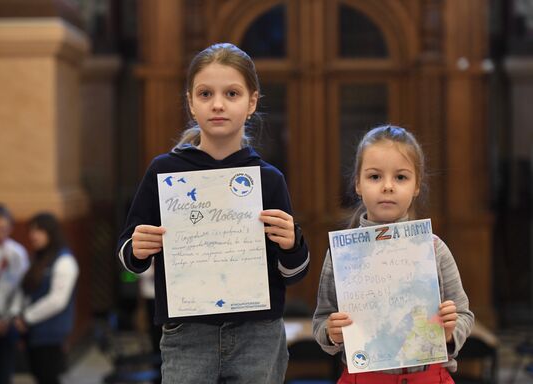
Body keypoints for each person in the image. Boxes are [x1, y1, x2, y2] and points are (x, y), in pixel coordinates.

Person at [117, 43, 309, 383]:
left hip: (259, 336)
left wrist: (292, 243)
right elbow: (130, 260)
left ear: (251, 102)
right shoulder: (164, 172)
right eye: (206, 94)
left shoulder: (268, 180)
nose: (218, 104)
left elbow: (292, 273)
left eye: (231, 93)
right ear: (190, 102)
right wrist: (136, 247)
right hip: (188, 333)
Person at [312, 125, 474, 383]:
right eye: (375, 177)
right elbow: (321, 320)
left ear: (417, 185)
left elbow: (464, 315)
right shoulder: (343, 255)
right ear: (357, 184)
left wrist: (450, 331)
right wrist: (331, 333)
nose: (387, 186)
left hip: (428, 377)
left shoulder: (434, 249)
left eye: (401, 177)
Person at [13, 213, 79, 384]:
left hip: (51, 334)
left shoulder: (64, 260)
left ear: (51, 232)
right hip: (34, 333)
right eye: (32, 230)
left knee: (49, 377)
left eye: (39, 230)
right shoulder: (38, 258)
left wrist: (27, 317)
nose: (33, 235)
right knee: (40, 376)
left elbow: (57, 300)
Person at [0, 203, 29, 384]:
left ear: (10, 228)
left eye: (3, 228)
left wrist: (10, 317)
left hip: (7, 321)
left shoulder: (17, 253)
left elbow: (21, 288)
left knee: (5, 372)